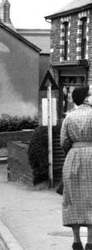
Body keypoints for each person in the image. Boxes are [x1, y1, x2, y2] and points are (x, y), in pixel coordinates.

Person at [61, 86, 92, 250]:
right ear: (87, 98)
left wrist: (73, 151)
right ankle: (90, 242)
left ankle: (76, 240)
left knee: (73, 198)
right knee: (91, 198)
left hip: (73, 157)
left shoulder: (69, 116)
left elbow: (63, 141)